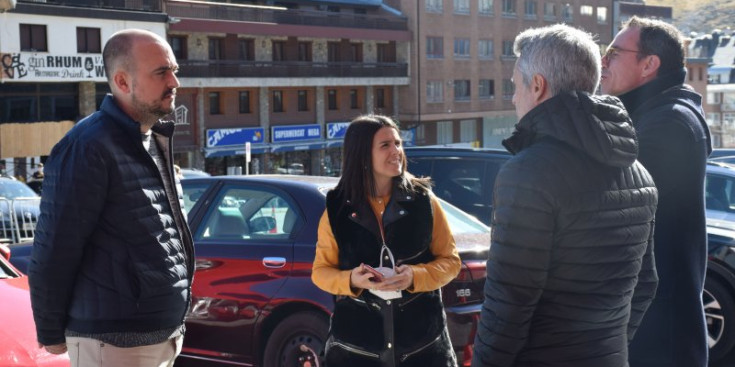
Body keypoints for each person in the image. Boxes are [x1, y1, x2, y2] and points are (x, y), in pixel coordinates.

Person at [471, 24, 658, 367]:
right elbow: (646, 283)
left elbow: (509, 301)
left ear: (538, 86)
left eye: (515, 86)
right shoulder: (639, 173)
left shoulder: (528, 173)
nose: (513, 98)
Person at [28, 29, 194, 367]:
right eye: (162, 72)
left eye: (174, 70)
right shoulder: (88, 147)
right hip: (114, 345)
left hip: (157, 338)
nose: (175, 81)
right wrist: (51, 333)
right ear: (121, 81)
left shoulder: (150, 138)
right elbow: (54, 247)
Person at [599, 17, 712, 367]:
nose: (603, 61)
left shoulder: (667, 124)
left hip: (660, 333)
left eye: (614, 53)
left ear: (649, 65)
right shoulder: (658, 113)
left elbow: (613, 211)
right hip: (656, 323)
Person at [312, 114, 461, 367]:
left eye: (398, 143)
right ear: (362, 154)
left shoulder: (424, 200)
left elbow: (451, 263)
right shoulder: (337, 209)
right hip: (356, 354)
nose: (396, 151)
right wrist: (350, 280)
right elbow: (320, 272)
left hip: (423, 351)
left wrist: (415, 275)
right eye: (385, 145)